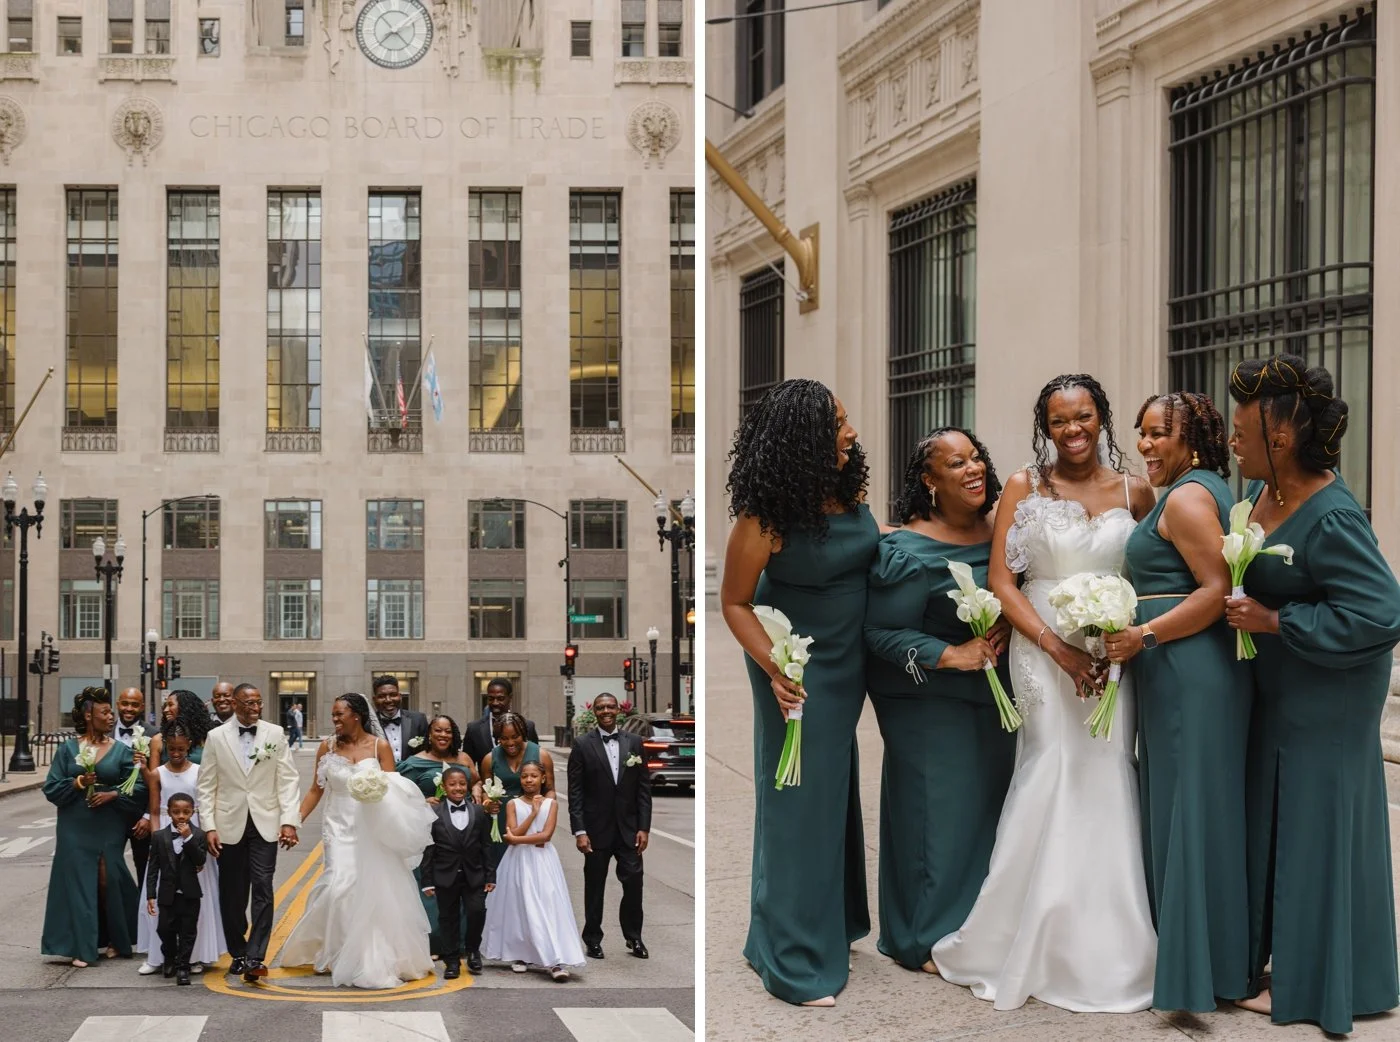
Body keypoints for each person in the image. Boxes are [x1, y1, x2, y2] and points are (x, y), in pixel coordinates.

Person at [932, 373, 1158, 1012]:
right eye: (1060, 421)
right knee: (1049, 769)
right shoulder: (1024, 487)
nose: (1073, 430)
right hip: (1040, 649)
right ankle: (1017, 935)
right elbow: (1004, 580)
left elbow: (1156, 570)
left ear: (1101, 418)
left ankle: (1108, 945)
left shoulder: (1137, 492)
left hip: (1111, 651)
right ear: (1045, 427)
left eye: (1083, 416)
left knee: (1106, 770)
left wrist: (1126, 631)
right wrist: (1057, 649)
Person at [1223, 355, 1400, 1034]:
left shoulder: (1330, 513)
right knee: (1283, 826)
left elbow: (1381, 613)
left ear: (1283, 431)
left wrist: (1276, 621)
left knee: (1313, 830)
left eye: (1242, 428)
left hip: (1327, 698)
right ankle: (1308, 965)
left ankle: (1310, 982)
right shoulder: (1266, 497)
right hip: (1283, 693)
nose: (1235, 438)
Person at [720, 379, 878, 1006]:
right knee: (796, 803)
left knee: (831, 794)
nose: (852, 431)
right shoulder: (764, 516)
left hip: (852, 660)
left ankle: (816, 925)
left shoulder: (847, 492)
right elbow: (733, 602)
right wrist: (775, 669)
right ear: (804, 437)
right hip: (796, 668)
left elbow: (869, 543)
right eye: (838, 422)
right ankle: (792, 958)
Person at [1102, 392, 1251, 1012]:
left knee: (1188, 815)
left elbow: (1217, 591)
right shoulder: (1201, 487)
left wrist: (1143, 633)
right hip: (1177, 671)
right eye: (1141, 433)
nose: (1145, 444)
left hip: (1189, 671)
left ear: (1193, 438)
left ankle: (1198, 976)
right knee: (1193, 812)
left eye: (1159, 433)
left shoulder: (1189, 498)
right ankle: (1211, 964)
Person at [863, 428, 1015, 974]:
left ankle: (977, 927)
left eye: (977, 457)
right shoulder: (905, 550)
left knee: (987, 820)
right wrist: (951, 654)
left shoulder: (1004, 532)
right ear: (930, 481)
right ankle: (922, 937)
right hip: (928, 703)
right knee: (936, 820)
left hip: (998, 699)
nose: (974, 469)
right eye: (957, 463)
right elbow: (880, 633)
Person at [278, 693, 436, 989]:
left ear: (357, 716)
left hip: (371, 827)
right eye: (333, 715)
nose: (334, 720)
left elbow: (395, 790)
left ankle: (370, 955)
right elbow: (316, 789)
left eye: (339, 714)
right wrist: (293, 821)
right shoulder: (326, 747)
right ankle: (340, 951)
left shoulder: (380, 747)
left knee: (370, 888)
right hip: (337, 828)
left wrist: (380, 796)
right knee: (339, 886)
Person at [195, 682, 301, 984]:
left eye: (259, 703)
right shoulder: (216, 737)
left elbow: (287, 780)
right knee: (232, 895)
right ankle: (238, 952)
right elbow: (206, 785)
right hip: (228, 824)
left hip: (265, 822)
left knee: (263, 887)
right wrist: (209, 827)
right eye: (249, 704)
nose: (255, 708)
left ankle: (256, 957)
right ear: (235, 704)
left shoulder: (275, 734)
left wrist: (288, 820)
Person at [41, 687, 148, 967]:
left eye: (111, 711)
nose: (111, 716)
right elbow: (51, 787)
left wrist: (113, 794)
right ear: (89, 715)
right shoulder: (67, 749)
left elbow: (138, 787)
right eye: (105, 712)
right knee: (78, 882)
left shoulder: (122, 751)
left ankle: (116, 937)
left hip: (109, 823)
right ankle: (81, 947)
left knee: (107, 878)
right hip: (75, 823)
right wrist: (78, 783)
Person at [136, 720, 226, 976]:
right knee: (162, 899)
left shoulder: (200, 771)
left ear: (189, 746)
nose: (176, 754)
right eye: (171, 749)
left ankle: (195, 955)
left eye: (181, 749)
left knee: (195, 899)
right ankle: (157, 956)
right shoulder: (157, 774)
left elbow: (207, 805)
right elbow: (154, 811)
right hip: (165, 831)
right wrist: (157, 842)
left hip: (192, 833)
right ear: (165, 747)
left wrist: (203, 837)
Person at [566, 693, 651, 962]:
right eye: (601, 707)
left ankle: (634, 937)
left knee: (634, 885)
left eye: (610, 707)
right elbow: (575, 792)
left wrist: (644, 827)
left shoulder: (634, 743)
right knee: (595, 887)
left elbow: (643, 790)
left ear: (618, 711)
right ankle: (592, 939)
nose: (606, 711)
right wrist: (580, 831)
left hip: (628, 831)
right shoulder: (581, 745)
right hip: (595, 831)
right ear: (594, 711)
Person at [485, 760, 586, 981]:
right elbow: (513, 836)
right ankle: (521, 953)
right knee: (520, 905)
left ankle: (554, 960)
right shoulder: (513, 804)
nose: (528, 780)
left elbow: (545, 836)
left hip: (543, 861)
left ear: (543, 778)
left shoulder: (552, 804)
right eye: (524, 776)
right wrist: (532, 813)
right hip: (518, 860)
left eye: (533, 776)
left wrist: (518, 838)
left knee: (547, 904)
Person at [396, 714, 488, 955]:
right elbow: (398, 796)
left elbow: (477, 781)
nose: (443, 735)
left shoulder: (464, 758)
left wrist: (477, 790)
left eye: (448, 731)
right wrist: (421, 800)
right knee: (434, 888)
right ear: (429, 734)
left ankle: (465, 944)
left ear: (454, 734)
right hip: (431, 835)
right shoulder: (414, 762)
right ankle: (436, 943)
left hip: (464, 834)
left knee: (466, 885)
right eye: (438, 730)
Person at [419, 766, 495, 979]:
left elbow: (486, 845)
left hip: (474, 874)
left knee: (476, 911)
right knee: (448, 918)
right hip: (445, 875)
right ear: (444, 787)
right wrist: (427, 881)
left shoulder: (479, 812)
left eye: (462, 784)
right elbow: (428, 849)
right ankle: (451, 959)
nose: (458, 788)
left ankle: (473, 950)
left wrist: (490, 875)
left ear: (468, 786)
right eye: (452, 784)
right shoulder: (434, 813)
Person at [145, 792, 208, 986]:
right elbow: (153, 868)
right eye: (176, 812)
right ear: (169, 812)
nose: (181, 816)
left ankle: (183, 967)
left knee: (188, 931)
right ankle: (169, 958)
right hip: (167, 894)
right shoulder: (158, 836)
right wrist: (150, 895)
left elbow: (200, 860)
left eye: (186, 812)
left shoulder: (199, 835)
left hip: (190, 894)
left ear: (192, 812)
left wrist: (188, 838)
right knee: (165, 929)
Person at [480, 713, 555, 869]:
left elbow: (550, 790)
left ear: (523, 734)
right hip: (500, 819)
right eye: (504, 738)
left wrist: (543, 818)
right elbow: (484, 789)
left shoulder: (542, 755)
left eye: (515, 737)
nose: (510, 742)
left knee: (530, 866)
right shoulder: (489, 759)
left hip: (532, 817)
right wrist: (487, 803)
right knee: (501, 867)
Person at [113, 687, 155, 889]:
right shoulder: (104, 732)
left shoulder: (154, 735)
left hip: (141, 818)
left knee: (145, 872)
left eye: (135, 704)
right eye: (125, 703)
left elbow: (157, 781)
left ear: (142, 706)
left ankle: (144, 918)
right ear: (117, 703)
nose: (129, 708)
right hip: (111, 815)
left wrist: (148, 816)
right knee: (109, 870)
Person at [463, 678, 540, 767]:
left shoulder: (527, 727)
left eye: (500, 698)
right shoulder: (474, 729)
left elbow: (536, 762)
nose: (495, 703)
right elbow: (467, 767)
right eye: (491, 698)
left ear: (510, 698)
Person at [146, 690, 212, 768]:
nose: (165, 710)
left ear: (185, 707)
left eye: (170, 705)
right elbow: (153, 778)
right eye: (165, 706)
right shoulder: (158, 740)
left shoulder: (207, 738)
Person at [372, 675, 430, 762]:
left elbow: (428, 751)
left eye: (393, 695)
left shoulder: (418, 719)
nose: (388, 700)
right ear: (374, 699)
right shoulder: (368, 724)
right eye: (382, 696)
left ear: (400, 696)